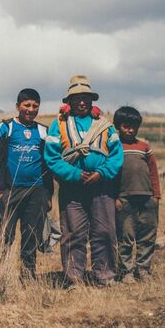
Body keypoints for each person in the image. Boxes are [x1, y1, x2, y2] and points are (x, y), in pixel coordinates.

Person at [44, 75, 124, 288]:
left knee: (104, 230)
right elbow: (52, 157)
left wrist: (102, 172)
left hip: (102, 185)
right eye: (77, 98)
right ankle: (74, 278)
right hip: (72, 188)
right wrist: (75, 174)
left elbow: (116, 156)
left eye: (86, 98)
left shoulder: (105, 126)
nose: (82, 102)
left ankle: (105, 275)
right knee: (73, 233)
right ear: (68, 101)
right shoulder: (58, 125)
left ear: (91, 100)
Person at [0, 88, 54, 279]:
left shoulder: (43, 131)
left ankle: (28, 276)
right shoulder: (6, 127)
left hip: (37, 191)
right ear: (18, 106)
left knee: (31, 236)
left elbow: (48, 164)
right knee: (5, 235)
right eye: (27, 105)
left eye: (35, 106)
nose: (31, 109)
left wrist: (48, 194)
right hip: (10, 191)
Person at [112, 106, 161, 283]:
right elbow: (110, 175)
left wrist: (156, 196)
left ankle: (144, 269)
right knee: (125, 237)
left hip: (147, 198)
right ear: (118, 126)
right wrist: (114, 198)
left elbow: (153, 171)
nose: (130, 130)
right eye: (126, 126)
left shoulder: (144, 147)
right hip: (124, 199)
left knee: (147, 235)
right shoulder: (114, 147)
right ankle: (126, 272)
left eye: (134, 126)